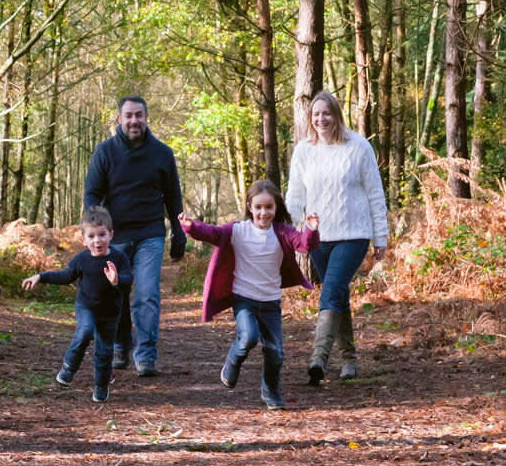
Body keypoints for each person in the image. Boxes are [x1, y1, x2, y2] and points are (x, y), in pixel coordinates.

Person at [182, 183, 319, 411]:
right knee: (248, 337)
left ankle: (271, 392)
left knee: (276, 354)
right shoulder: (238, 230)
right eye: (258, 207)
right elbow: (212, 233)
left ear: (276, 208)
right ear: (250, 207)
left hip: (270, 302)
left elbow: (304, 245)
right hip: (244, 298)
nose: (263, 212)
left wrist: (312, 229)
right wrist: (190, 227)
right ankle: (232, 362)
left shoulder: (283, 232)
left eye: (268, 207)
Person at [285, 90, 390, 384]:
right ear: (310, 118)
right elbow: (294, 197)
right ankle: (349, 360)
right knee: (338, 295)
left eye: (326, 113)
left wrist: (380, 236)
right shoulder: (304, 150)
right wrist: (288, 234)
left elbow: (374, 193)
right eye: (316, 115)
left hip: (354, 234)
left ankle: (318, 359)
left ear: (336, 115)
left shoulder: (358, 147)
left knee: (330, 290)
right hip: (318, 237)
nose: (321, 119)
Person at [82, 94, 186, 376]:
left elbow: (173, 196)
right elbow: (92, 192)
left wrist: (179, 233)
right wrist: (92, 231)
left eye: (139, 115)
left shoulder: (162, 153)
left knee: (147, 293)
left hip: (150, 234)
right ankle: (120, 344)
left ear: (146, 117)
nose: (134, 121)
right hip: (115, 237)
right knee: (115, 292)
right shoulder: (105, 152)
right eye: (128, 115)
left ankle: (146, 355)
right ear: (119, 118)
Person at [21, 208, 129, 402]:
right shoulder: (81, 259)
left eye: (102, 235)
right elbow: (65, 276)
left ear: (111, 235)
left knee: (105, 351)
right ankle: (69, 367)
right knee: (85, 330)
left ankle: (101, 386)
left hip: (110, 313)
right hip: (86, 306)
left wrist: (116, 280)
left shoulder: (119, 259)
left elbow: (129, 280)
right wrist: (40, 276)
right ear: (83, 240)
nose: (97, 241)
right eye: (92, 236)